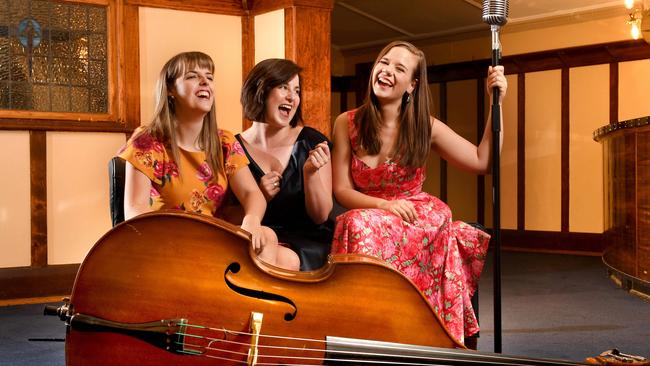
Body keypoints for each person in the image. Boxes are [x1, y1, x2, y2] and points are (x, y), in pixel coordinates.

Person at [331, 41, 507, 344]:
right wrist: (384, 206)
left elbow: (484, 160)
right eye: (384, 63)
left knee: (359, 223)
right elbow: (341, 190)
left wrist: (497, 103)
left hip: (417, 216)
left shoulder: (426, 126)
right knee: (353, 222)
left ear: (412, 85)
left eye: (399, 69)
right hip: (370, 211)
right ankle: (367, 326)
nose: (386, 72)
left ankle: (408, 324)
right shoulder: (346, 122)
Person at [118, 51, 300, 271]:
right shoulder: (148, 141)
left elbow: (252, 194)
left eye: (210, 77)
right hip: (169, 242)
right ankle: (249, 304)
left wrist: (251, 221)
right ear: (170, 90)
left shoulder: (224, 141)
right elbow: (135, 211)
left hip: (216, 237)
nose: (205, 81)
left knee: (278, 246)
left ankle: (246, 304)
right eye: (193, 76)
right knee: (283, 256)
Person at [236, 58, 333, 271]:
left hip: (305, 242)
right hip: (253, 239)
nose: (292, 97)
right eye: (283, 87)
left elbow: (321, 215)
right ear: (260, 90)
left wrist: (310, 174)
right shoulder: (233, 147)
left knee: (283, 258)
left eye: (297, 91)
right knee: (261, 245)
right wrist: (260, 194)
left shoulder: (311, 140)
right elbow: (224, 212)